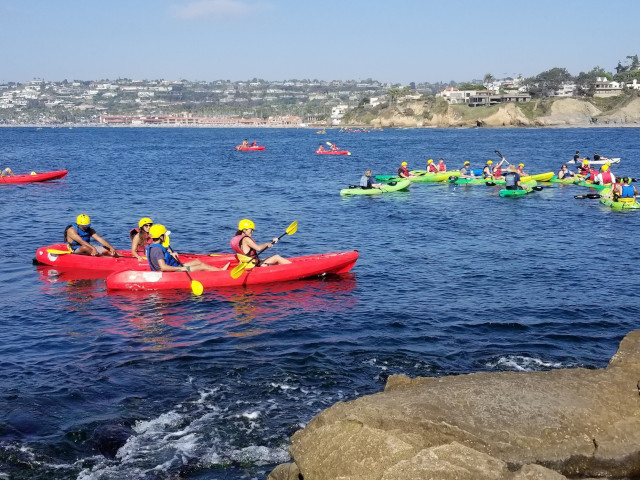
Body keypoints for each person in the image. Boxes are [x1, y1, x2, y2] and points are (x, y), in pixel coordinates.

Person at [146, 224, 228, 272]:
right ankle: (221, 271)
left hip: (174, 268)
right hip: (173, 272)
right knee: (201, 266)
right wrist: (181, 268)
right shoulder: (158, 249)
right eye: (165, 235)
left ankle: (218, 270)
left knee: (197, 261)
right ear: (161, 237)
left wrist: (171, 255)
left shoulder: (152, 247)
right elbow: (163, 267)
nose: (166, 236)